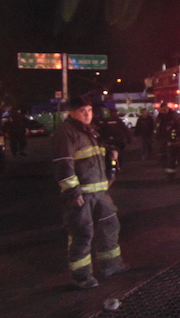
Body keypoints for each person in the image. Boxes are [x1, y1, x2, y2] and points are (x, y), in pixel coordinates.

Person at [52, 96, 129, 289]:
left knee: (110, 226)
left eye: (89, 110)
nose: (87, 114)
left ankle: (111, 265)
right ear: (72, 112)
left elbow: (93, 159)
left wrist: (110, 155)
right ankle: (82, 277)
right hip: (82, 196)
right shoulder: (66, 133)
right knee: (82, 233)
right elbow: (64, 165)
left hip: (100, 193)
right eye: (82, 111)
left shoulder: (89, 131)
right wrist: (72, 193)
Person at [155, 102, 180, 179]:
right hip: (162, 139)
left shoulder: (174, 115)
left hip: (172, 139)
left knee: (171, 156)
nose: (163, 112)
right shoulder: (160, 117)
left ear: (167, 108)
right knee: (162, 155)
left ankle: (171, 174)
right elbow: (156, 127)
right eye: (162, 110)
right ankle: (167, 169)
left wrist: (177, 135)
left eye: (164, 110)